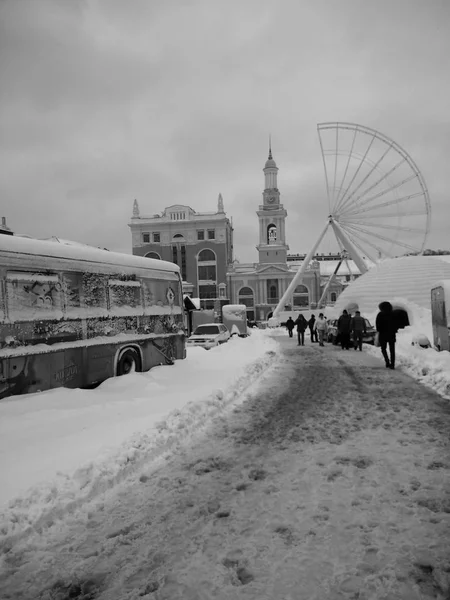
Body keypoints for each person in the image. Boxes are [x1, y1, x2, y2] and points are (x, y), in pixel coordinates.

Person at [375, 301, 398, 369]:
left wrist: (380, 330)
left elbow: (378, 325)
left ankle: (387, 362)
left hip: (383, 335)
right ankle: (392, 364)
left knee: (383, 349)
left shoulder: (380, 314)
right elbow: (396, 324)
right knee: (392, 350)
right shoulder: (393, 314)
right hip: (391, 334)